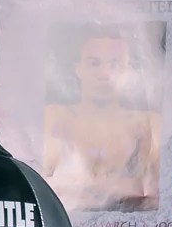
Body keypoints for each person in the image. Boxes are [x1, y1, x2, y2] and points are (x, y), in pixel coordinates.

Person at [38, 31, 160, 212]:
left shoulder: (148, 121)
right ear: (78, 69)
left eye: (115, 64)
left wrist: (79, 185)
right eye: (94, 63)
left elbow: (156, 192)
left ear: (128, 70)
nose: (104, 74)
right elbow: (42, 184)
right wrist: (124, 187)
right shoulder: (54, 115)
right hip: (66, 223)